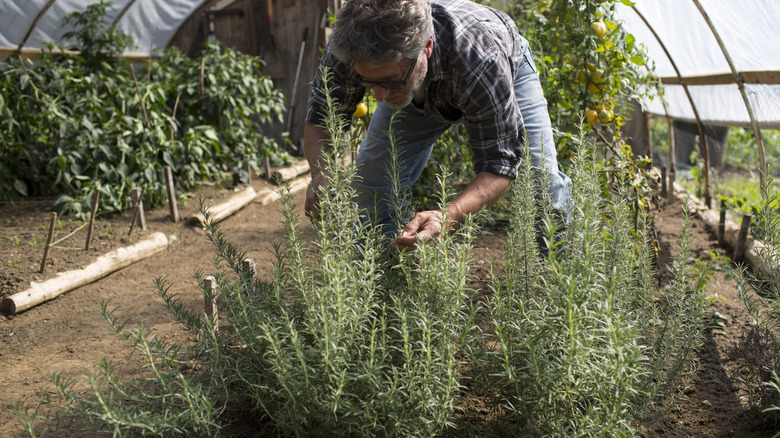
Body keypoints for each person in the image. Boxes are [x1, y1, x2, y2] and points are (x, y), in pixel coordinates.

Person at [304, 0, 572, 251]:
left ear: (427, 46)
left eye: (389, 80)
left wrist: (448, 216)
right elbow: (321, 117)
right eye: (368, 82)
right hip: (418, 84)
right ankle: (382, 280)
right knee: (373, 179)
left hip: (499, 69)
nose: (379, 97)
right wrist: (322, 175)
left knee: (541, 181)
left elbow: (500, 163)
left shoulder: (480, 57)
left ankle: (563, 279)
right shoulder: (350, 47)